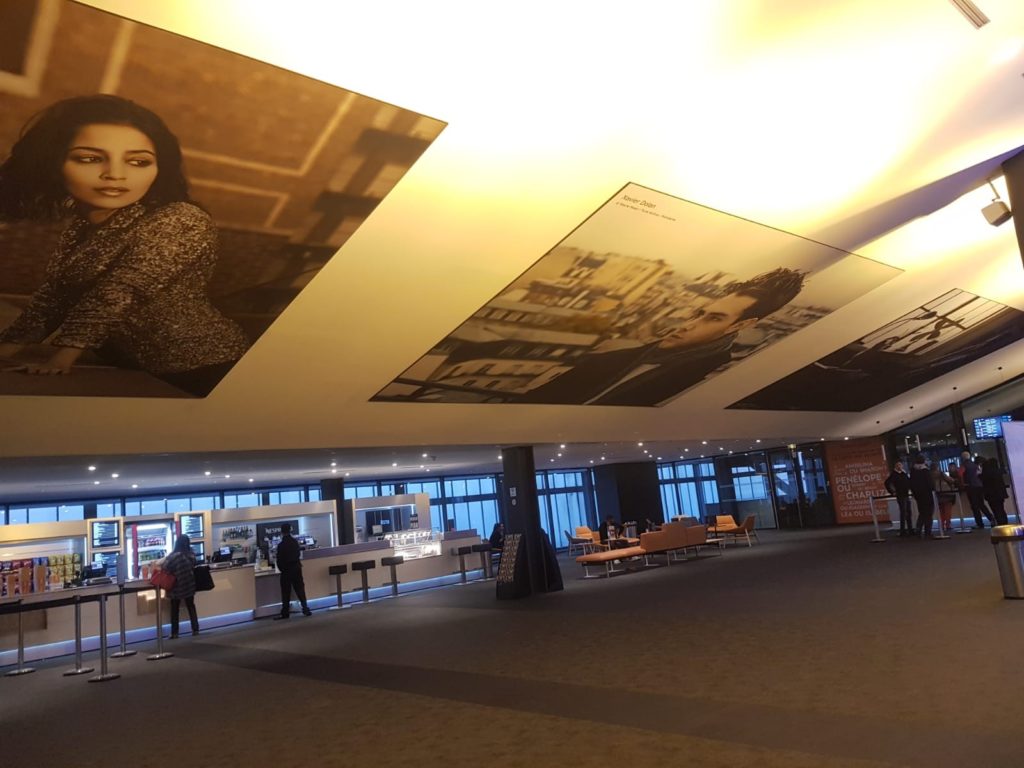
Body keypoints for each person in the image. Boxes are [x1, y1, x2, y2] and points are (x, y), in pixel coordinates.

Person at [0, 94, 248, 396]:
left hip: (204, 368)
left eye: (138, 162)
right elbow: (55, 296)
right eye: (90, 158)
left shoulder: (181, 219)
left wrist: (62, 359)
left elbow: (119, 291)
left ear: (159, 168)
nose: (115, 174)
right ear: (53, 163)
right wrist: (7, 349)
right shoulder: (82, 226)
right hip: (127, 367)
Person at [518, 268, 805, 406]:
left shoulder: (711, 379)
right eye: (699, 313)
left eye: (714, 318)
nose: (688, 325)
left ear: (740, 325)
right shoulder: (612, 358)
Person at [161, 534, 199, 638]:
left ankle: (175, 633)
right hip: (189, 583)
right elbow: (195, 564)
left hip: (176, 586)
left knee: (175, 609)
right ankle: (195, 629)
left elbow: (165, 567)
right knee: (191, 606)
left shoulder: (174, 556)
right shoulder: (191, 554)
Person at [274, 522, 312, 619]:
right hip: (296, 568)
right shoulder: (295, 542)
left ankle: (285, 612)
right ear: (290, 530)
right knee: (300, 589)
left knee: (286, 592)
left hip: (286, 570)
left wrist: (282, 569)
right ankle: (305, 608)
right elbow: (298, 554)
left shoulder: (281, 545)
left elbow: (279, 559)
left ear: (282, 532)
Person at [960, 451, 994, 530]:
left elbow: (960, 474)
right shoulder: (975, 464)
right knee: (981, 504)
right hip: (979, 486)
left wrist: (962, 484)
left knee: (974, 506)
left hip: (970, 487)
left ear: (962, 458)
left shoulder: (964, 465)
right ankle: (991, 519)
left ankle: (979, 523)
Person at [884, 460, 913, 537]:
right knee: (903, 512)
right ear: (895, 466)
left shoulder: (904, 473)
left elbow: (908, 482)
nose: (899, 466)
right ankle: (903, 530)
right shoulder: (894, 475)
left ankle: (910, 529)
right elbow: (887, 483)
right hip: (900, 495)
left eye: (900, 465)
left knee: (908, 512)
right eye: (898, 465)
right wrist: (892, 492)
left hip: (906, 494)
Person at [909, 455, 935, 538]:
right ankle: (928, 531)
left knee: (922, 513)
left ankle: (918, 529)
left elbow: (911, 484)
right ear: (924, 461)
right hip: (927, 494)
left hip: (918, 496)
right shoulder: (925, 471)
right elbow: (930, 483)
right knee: (929, 513)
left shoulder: (913, 471)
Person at [981, 457, 1010, 526]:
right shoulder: (998, 471)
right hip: (1000, 494)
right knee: (1001, 509)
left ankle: (1000, 523)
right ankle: (1004, 523)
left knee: (996, 510)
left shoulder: (986, 473)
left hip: (991, 495)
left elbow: (983, 481)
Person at [930, 461, 956, 532]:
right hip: (946, 493)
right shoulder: (940, 473)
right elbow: (950, 480)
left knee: (941, 511)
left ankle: (942, 524)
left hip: (937, 494)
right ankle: (948, 525)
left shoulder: (929, 475)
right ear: (937, 467)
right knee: (947, 510)